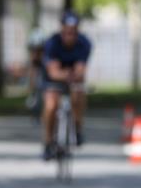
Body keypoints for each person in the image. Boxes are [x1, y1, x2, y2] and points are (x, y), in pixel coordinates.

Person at [41, 11, 92, 160]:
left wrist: (74, 75)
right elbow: (53, 72)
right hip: (53, 77)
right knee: (51, 105)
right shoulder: (52, 43)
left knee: (79, 94)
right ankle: (48, 142)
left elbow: (81, 70)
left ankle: (77, 127)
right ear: (62, 29)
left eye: (74, 31)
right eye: (67, 31)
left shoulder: (84, 43)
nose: (70, 35)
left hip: (72, 76)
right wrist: (67, 74)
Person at [25, 27, 47, 116]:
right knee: (32, 72)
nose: (36, 53)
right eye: (33, 50)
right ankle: (32, 94)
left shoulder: (45, 51)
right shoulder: (32, 49)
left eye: (39, 49)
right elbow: (32, 61)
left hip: (43, 65)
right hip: (35, 65)